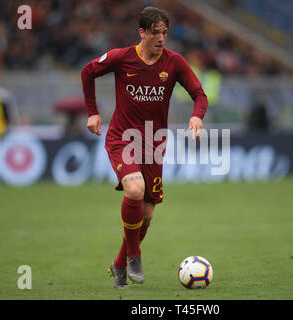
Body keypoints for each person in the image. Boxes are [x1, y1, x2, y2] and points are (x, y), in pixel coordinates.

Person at [81, 6, 208, 288]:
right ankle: (134, 256)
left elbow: (199, 93)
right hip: (121, 139)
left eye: (164, 32)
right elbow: (87, 72)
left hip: (154, 144)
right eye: (155, 33)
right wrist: (92, 111)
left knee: (147, 213)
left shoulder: (174, 63)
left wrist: (197, 115)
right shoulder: (121, 58)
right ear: (142, 32)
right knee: (135, 190)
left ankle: (118, 264)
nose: (161, 38)